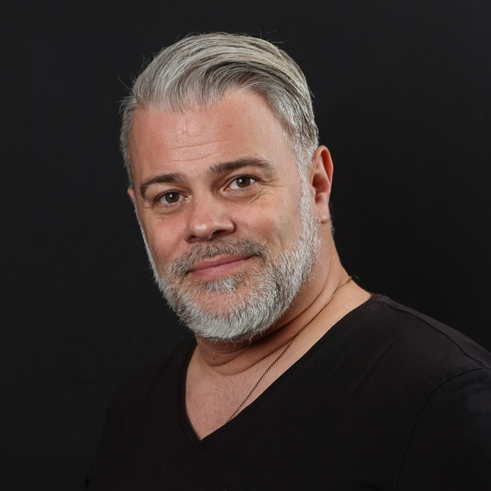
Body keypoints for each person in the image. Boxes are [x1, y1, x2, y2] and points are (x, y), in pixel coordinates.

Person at [86, 33, 491, 490]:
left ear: (316, 185)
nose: (203, 223)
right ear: (139, 212)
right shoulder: (135, 406)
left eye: (241, 181)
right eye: (169, 196)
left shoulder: (444, 401)